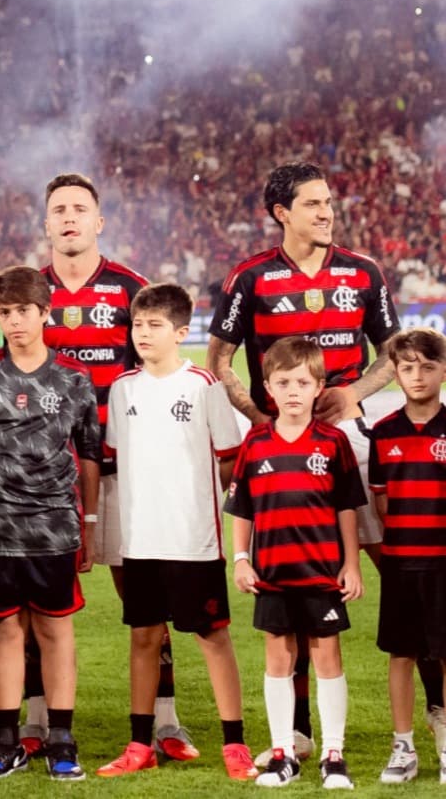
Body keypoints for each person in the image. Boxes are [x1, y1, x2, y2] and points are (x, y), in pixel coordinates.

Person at [207, 162, 412, 764]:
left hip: (349, 435)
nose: (327, 212)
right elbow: (219, 358)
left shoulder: (363, 271)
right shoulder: (250, 277)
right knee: (291, 578)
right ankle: (296, 731)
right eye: (314, 204)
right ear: (282, 213)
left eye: (329, 202)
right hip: (281, 444)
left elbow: (393, 352)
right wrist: (259, 415)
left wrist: (355, 394)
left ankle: (430, 717)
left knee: (405, 571)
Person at [37, 174, 186, 758]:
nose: (69, 218)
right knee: (38, 603)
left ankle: (167, 721)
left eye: (80, 209)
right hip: (46, 479)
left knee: (143, 596)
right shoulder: (31, 291)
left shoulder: (132, 289)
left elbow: (162, 371)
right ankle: (34, 721)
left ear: (99, 222)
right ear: (46, 224)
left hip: (126, 472)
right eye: (58, 210)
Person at [94, 284, 256, 780]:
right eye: (138, 324)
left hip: (193, 539)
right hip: (141, 539)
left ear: (182, 333)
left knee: (212, 638)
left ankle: (235, 747)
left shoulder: (203, 384)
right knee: (144, 638)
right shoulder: (123, 388)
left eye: (155, 325)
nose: (143, 333)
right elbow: (123, 456)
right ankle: (139, 743)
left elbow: (230, 458)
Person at [0, 266, 99, 781]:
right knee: (5, 630)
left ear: (45, 312)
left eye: (24, 311)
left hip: (56, 524)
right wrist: (5, 473)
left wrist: (91, 517)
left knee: (56, 630)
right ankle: (6, 739)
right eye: (6, 313)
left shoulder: (75, 379)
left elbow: (88, 454)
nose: (15, 322)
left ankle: (62, 738)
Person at [227, 337, 365, 789]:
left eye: (302, 382)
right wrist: (242, 559)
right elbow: (243, 508)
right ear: (267, 387)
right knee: (278, 659)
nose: (292, 391)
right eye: (282, 382)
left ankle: (333, 754)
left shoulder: (333, 441)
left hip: (322, 570)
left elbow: (347, 507)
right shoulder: (255, 443)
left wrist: (352, 564)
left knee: (327, 656)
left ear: (318, 387)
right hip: (272, 573)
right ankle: (283, 753)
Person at [367, 329, 446, 784]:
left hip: (442, 564)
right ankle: (404, 746)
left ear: (442, 370)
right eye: (407, 367)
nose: (417, 376)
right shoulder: (383, 433)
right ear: (395, 372)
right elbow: (382, 504)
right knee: (401, 654)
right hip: (400, 561)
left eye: (427, 367)